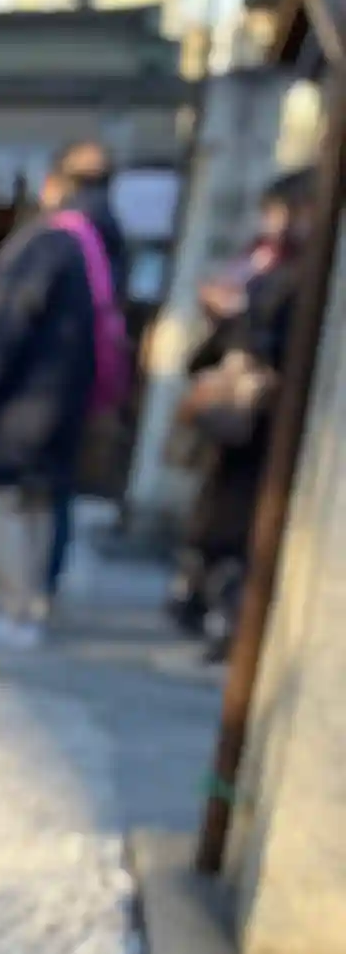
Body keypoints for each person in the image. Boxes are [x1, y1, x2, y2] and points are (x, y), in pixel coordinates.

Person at [0, 140, 127, 650]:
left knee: (4, 504)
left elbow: (3, 327)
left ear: (54, 183)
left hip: (23, 399)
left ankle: (12, 607)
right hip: (71, 400)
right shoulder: (104, 244)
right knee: (43, 504)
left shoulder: (47, 242)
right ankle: (34, 604)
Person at [168, 167, 316, 661]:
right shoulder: (259, 262)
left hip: (265, 424)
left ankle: (225, 620)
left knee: (238, 527)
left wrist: (238, 315)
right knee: (216, 521)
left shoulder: (301, 274)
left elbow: (275, 342)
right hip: (235, 422)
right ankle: (206, 604)